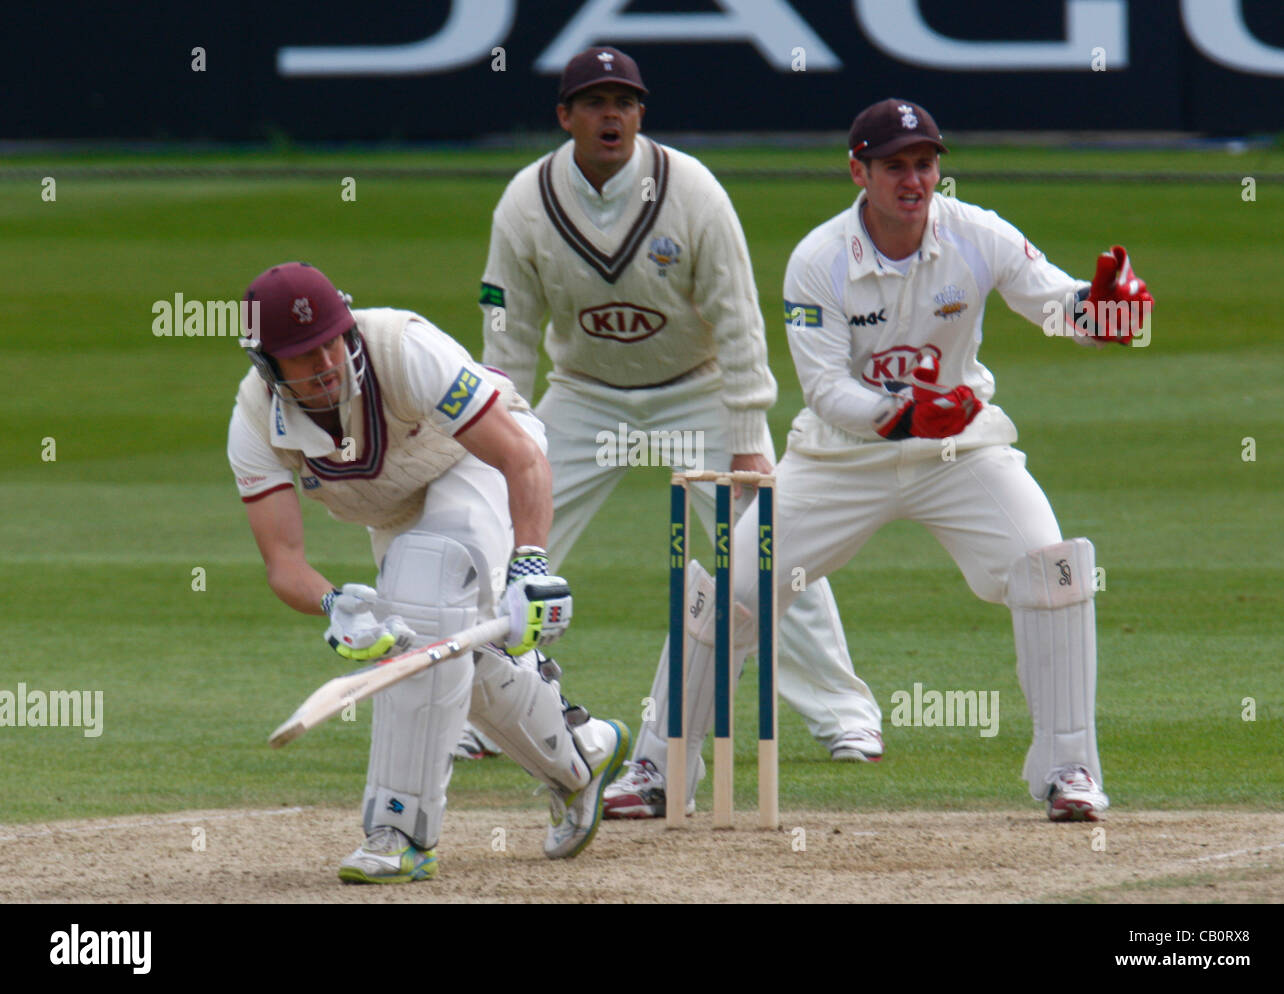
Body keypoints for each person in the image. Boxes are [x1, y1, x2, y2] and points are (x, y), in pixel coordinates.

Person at [643, 98, 1153, 821]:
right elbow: (823, 390)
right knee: (733, 589)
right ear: (859, 171)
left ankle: (1069, 771)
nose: (913, 180)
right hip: (839, 459)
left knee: (1053, 568)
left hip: (960, 449)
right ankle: (659, 771)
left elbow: (1056, 302)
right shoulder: (818, 260)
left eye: (924, 163)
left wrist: (1104, 314)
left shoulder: (976, 232)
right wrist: (901, 413)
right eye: (894, 166)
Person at [477, 46, 884, 818]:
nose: (611, 117)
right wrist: (504, 432)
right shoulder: (525, 202)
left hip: (694, 391)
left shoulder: (691, 190)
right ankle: (486, 708)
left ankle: (844, 714)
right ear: (565, 117)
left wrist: (746, 426)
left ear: (640, 113)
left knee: (765, 545)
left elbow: (738, 314)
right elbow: (510, 335)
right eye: (594, 104)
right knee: (500, 538)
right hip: (584, 394)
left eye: (624, 104)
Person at [227, 261, 629, 882]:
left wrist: (530, 565)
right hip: (398, 508)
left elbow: (518, 456)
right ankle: (578, 758)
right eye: (303, 356)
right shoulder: (256, 422)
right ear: (268, 367)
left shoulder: (401, 347)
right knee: (430, 644)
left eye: (331, 341)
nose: (327, 362)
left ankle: (400, 832)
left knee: (425, 586)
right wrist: (338, 608)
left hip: (480, 460)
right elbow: (284, 563)